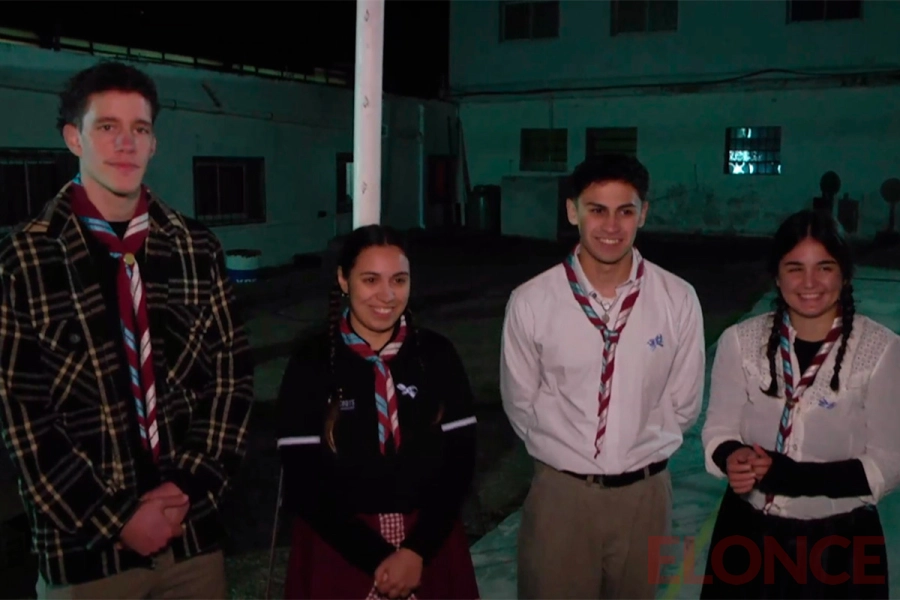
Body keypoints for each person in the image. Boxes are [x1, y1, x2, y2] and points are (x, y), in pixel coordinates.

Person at [0, 61, 254, 598]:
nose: (125, 143)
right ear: (74, 138)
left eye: (139, 129)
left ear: (154, 143)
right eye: (106, 127)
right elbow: (23, 417)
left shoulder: (195, 247)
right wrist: (116, 518)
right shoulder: (22, 259)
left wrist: (184, 488)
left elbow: (230, 382)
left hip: (190, 541)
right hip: (87, 554)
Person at [500, 154, 706, 599]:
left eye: (625, 211)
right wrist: (569, 457)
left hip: (646, 496)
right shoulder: (532, 301)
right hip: (562, 494)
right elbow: (520, 404)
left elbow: (686, 403)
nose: (611, 226)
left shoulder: (678, 299)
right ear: (572, 211)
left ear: (643, 214)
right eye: (597, 210)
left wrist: (637, 445)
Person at [700, 209, 900, 599]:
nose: (810, 283)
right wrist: (732, 458)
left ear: (845, 273)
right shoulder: (741, 342)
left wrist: (790, 477)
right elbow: (718, 429)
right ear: (776, 275)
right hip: (747, 534)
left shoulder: (881, 351)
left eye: (824, 267)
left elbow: (887, 464)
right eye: (794, 268)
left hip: (840, 545)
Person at [276, 224, 479, 600]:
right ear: (343, 279)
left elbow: (460, 463)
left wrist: (415, 551)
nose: (386, 295)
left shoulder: (436, 354)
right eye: (370, 279)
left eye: (399, 280)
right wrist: (379, 558)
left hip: (430, 542)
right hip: (339, 546)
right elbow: (303, 479)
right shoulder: (313, 360)